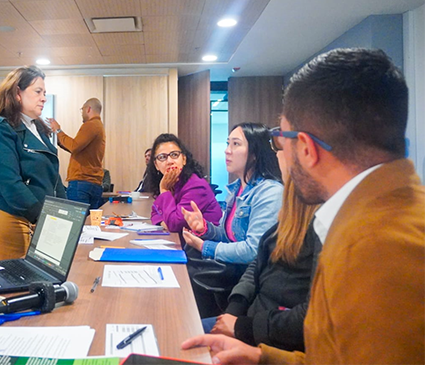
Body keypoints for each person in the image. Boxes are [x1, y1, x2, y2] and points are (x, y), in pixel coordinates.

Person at [181, 48, 425, 365]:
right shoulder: (376, 215)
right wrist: (262, 358)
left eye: (283, 142)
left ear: (307, 149)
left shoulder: (377, 246)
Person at [203, 149, 321, 352]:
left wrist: (241, 327)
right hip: (251, 316)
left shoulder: (273, 193)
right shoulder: (289, 207)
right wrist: (233, 313)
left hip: (270, 335)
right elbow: (257, 262)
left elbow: (312, 316)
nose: (276, 153)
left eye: (280, 145)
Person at [182, 123, 283, 317]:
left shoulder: (270, 192)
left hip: (246, 278)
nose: (227, 151)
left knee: (190, 268)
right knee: (187, 261)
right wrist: (204, 228)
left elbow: (254, 250)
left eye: (236, 144)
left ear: (254, 153)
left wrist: (205, 247)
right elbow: (228, 235)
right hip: (231, 268)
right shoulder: (237, 188)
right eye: (228, 143)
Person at [0, 65, 66, 261]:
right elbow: (10, 183)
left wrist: (66, 214)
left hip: (38, 220)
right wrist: (44, 218)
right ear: (17, 93)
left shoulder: (38, 128)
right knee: (10, 287)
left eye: (44, 92)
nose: (43, 97)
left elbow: (54, 177)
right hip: (10, 218)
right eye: (38, 91)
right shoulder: (0, 128)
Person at [148, 134, 222, 236]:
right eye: (162, 157)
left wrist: (164, 190)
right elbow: (155, 213)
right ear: (156, 165)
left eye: (174, 155)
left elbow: (174, 224)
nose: (169, 161)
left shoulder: (196, 186)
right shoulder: (171, 182)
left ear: (184, 159)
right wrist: (164, 222)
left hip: (202, 247)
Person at [47, 98, 106, 210]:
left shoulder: (91, 125)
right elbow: (77, 148)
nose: (82, 113)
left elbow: (74, 146)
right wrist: (59, 140)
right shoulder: (99, 126)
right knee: (88, 223)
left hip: (81, 182)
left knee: (76, 222)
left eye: (82, 109)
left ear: (88, 109)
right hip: (93, 183)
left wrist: (58, 131)